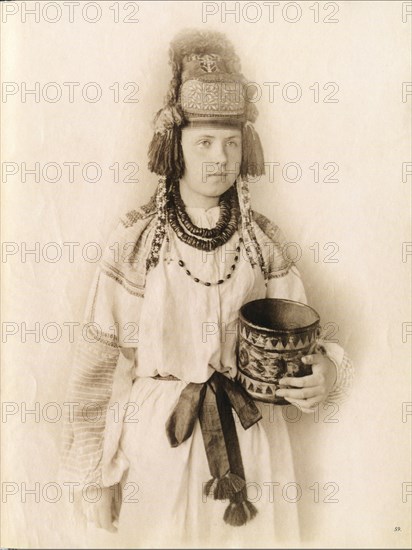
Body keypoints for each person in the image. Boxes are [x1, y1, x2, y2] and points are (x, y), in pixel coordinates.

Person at [60, 29, 354, 547]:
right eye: (203, 142)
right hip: (160, 448)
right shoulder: (134, 245)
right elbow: (98, 371)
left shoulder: (263, 244)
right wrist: (97, 476)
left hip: (252, 441)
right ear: (174, 147)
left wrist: (324, 369)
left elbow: (301, 335)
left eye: (232, 142)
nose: (220, 157)